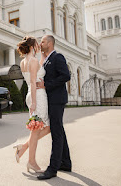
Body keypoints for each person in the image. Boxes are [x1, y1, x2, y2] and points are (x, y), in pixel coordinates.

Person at [36, 35, 72, 180]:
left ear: (50, 44)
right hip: (51, 100)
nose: (40, 43)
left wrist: (47, 85)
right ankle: (66, 163)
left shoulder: (58, 57)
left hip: (57, 100)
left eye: (43, 41)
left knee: (56, 133)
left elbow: (66, 76)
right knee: (59, 130)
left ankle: (52, 169)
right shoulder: (46, 59)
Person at [14, 36, 51, 173]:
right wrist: (34, 102)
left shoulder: (24, 61)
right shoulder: (33, 61)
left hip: (31, 93)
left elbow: (31, 79)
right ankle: (31, 162)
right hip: (38, 96)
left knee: (41, 128)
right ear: (31, 47)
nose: (38, 46)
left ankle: (23, 148)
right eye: (36, 45)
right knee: (38, 129)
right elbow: (35, 81)